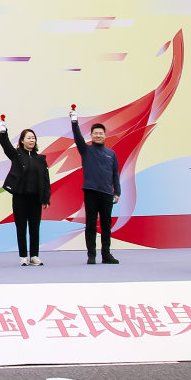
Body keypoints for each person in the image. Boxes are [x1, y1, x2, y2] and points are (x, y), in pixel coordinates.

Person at [70, 107, 122, 265]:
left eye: (101, 133)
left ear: (105, 135)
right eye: (95, 133)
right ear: (91, 135)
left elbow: (115, 174)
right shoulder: (86, 150)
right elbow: (78, 137)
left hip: (107, 193)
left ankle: (106, 255)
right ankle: (91, 255)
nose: (98, 135)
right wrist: (74, 122)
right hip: (91, 192)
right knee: (91, 225)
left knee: (106, 225)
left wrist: (117, 192)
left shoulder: (111, 153)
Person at [0, 117, 51, 266]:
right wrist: (3, 129)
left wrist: (46, 198)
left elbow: (46, 180)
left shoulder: (40, 159)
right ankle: (23, 257)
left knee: (35, 228)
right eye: (28, 138)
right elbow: (4, 143)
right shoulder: (16, 155)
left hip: (35, 198)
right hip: (20, 197)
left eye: (33, 138)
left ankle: (34, 256)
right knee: (21, 227)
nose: (31, 140)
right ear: (22, 141)